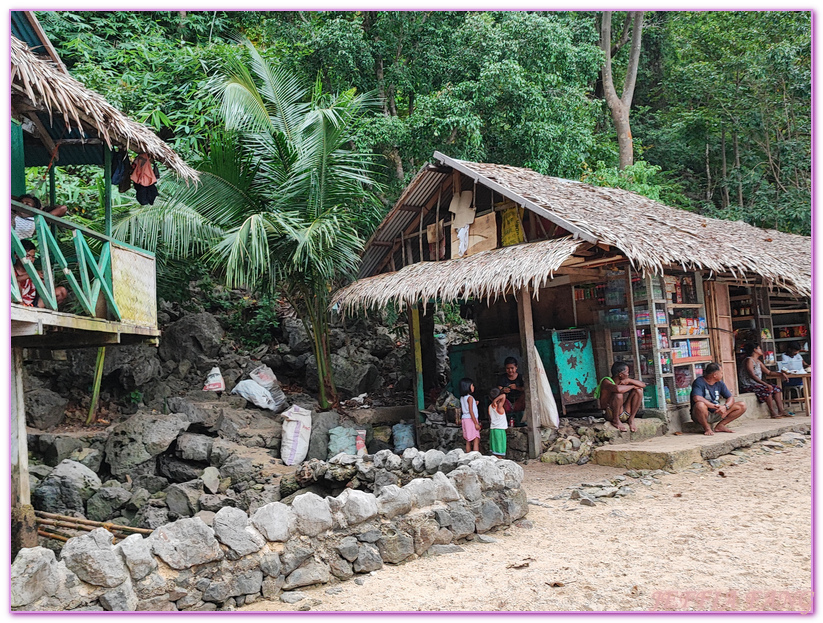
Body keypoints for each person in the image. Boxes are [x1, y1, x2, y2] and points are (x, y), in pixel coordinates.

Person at [691, 362, 747, 435]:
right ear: (715, 375)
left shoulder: (720, 383)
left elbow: (730, 398)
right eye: (721, 373)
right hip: (702, 414)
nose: (722, 374)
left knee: (742, 405)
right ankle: (707, 428)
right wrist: (714, 406)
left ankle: (720, 425)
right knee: (700, 405)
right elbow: (697, 398)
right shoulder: (699, 382)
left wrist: (725, 407)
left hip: (718, 412)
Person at [739, 343, 790, 418]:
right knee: (767, 389)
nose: (761, 350)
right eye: (759, 348)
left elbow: (769, 372)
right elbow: (752, 375)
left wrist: (780, 374)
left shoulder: (758, 362)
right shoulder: (749, 360)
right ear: (755, 350)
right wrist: (765, 384)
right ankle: (772, 412)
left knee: (776, 389)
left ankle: (781, 410)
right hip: (748, 384)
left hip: (757, 384)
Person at [13, 240, 68, 309]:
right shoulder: (11, 270)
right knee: (17, 284)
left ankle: (45, 312)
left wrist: (44, 282)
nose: (31, 259)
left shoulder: (36, 272)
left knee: (62, 291)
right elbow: (13, 281)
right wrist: (32, 275)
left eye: (33, 257)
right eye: (27, 256)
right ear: (16, 256)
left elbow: (49, 290)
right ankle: (23, 310)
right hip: (16, 305)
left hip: (34, 305)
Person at [594, 362, 646, 432]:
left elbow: (643, 385)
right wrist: (633, 386)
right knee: (618, 394)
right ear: (621, 374)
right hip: (611, 414)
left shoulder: (625, 381)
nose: (628, 374)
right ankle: (616, 420)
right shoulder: (606, 381)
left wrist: (630, 380)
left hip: (624, 411)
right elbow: (618, 389)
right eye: (627, 372)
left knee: (639, 390)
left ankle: (631, 419)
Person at [497, 356, 526, 427]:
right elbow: (498, 388)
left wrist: (517, 388)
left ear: (516, 367)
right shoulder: (502, 378)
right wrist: (503, 390)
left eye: (512, 368)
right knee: (500, 397)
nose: (510, 370)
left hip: (519, 400)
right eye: (507, 368)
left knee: (525, 395)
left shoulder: (521, 377)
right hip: (507, 401)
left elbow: (526, 389)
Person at [459, 377, 481, 454]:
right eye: (472, 385)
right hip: (471, 420)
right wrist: (476, 423)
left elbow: (465, 408)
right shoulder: (470, 398)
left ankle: (468, 456)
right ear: (467, 387)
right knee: (475, 439)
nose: (473, 387)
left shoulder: (462, 398)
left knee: (468, 440)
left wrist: (475, 404)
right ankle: (476, 456)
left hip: (465, 419)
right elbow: (471, 411)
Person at [488, 387, 508, 458]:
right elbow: (504, 396)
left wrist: (493, 401)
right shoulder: (499, 407)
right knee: (500, 451)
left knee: (494, 450)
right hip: (500, 430)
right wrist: (496, 400)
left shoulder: (490, 407)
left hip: (493, 429)